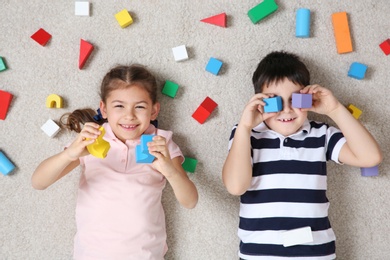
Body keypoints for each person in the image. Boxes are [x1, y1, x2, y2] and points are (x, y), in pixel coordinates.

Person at [222, 51, 382, 259]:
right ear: (259, 102)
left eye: (295, 100)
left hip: (315, 253)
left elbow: (370, 157)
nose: (287, 110)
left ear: (307, 98)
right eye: (275, 102)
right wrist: (244, 126)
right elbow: (235, 187)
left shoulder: (321, 134)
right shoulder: (247, 134)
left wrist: (334, 109)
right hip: (259, 253)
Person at [32, 64, 198, 260]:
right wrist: (70, 154)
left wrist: (169, 170)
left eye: (140, 107)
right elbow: (38, 182)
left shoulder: (160, 142)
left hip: (145, 255)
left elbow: (190, 201)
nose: (129, 115)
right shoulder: (92, 139)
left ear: (154, 111)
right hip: (92, 254)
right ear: (104, 109)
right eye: (119, 106)